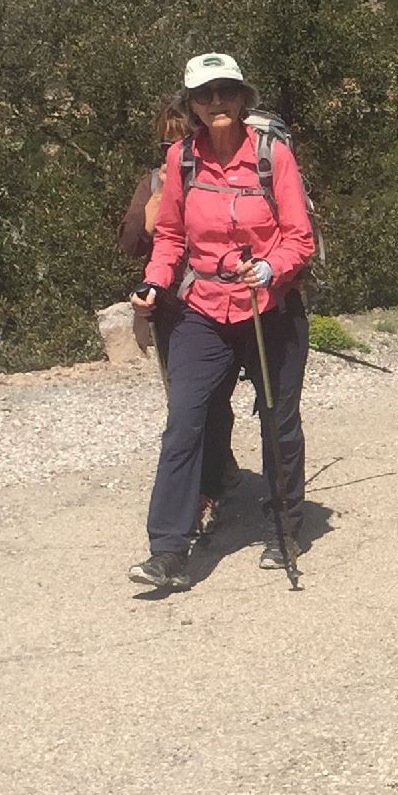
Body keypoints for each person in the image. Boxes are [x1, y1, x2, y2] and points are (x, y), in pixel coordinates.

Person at [128, 55, 316, 592]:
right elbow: (170, 236)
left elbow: (298, 237)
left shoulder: (272, 156)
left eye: (226, 91)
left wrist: (271, 267)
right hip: (203, 309)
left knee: (277, 420)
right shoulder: (182, 159)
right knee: (184, 421)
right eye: (204, 94)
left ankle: (284, 530)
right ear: (189, 105)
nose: (216, 102)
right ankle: (168, 551)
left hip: (269, 307)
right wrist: (155, 282)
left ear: (242, 98)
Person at [119, 98, 241, 544]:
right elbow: (130, 244)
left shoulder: (222, 173)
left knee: (214, 400)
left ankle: (214, 481)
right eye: (165, 144)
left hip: (222, 302)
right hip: (173, 308)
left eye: (182, 139)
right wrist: (153, 207)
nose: (174, 150)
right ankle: (203, 490)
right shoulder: (154, 182)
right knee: (186, 406)